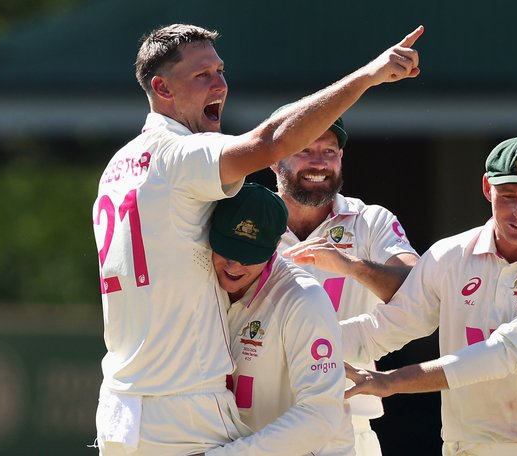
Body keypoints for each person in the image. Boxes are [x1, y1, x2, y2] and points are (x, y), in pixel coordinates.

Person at [91, 22, 423, 455]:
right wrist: (368, 76)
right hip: (182, 408)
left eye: (220, 70)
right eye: (202, 75)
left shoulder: (119, 164)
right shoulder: (181, 154)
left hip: (121, 407)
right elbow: (270, 140)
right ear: (162, 87)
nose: (221, 85)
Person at [340, 136, 517, 455]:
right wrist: (297, 343)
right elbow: (385, 327)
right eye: (507, 196)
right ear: (486, 187)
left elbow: (506, 353)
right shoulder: (448, 256)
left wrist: (390, 381)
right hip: (468, 446)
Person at [272, 114, 419, 455]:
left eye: (329, 151)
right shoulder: (247, 219)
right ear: (274, 159)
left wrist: (351, 266)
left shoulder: (371, 220)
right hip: (261, 416)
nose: (319, 163)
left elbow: (417, 290)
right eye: (305, 149)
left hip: (347, 419)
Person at [203, 182, 353, 455]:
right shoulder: (199, 285)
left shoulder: (303, 300)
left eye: (248, 255)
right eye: (227, 248)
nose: (234, 265)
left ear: (275, 246)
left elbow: (321, 414)